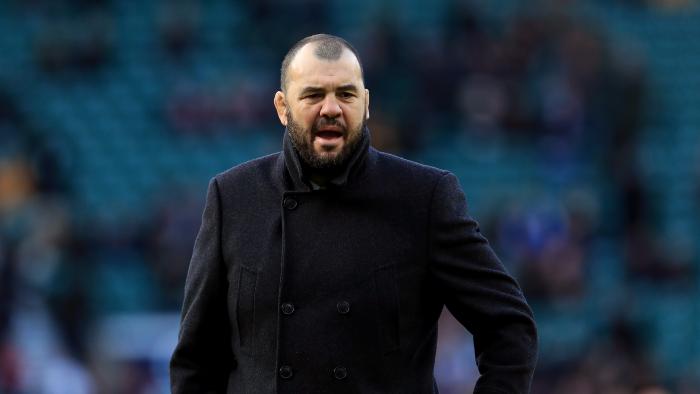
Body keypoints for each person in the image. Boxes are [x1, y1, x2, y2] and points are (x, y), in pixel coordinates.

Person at [170, 33, 538, 394]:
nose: (331, 108)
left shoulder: (423, 197)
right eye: (313, 95)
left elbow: (509, 326)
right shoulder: (233, 196)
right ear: (283, 108)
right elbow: (196, 359)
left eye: (345, 94)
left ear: (365, 104)